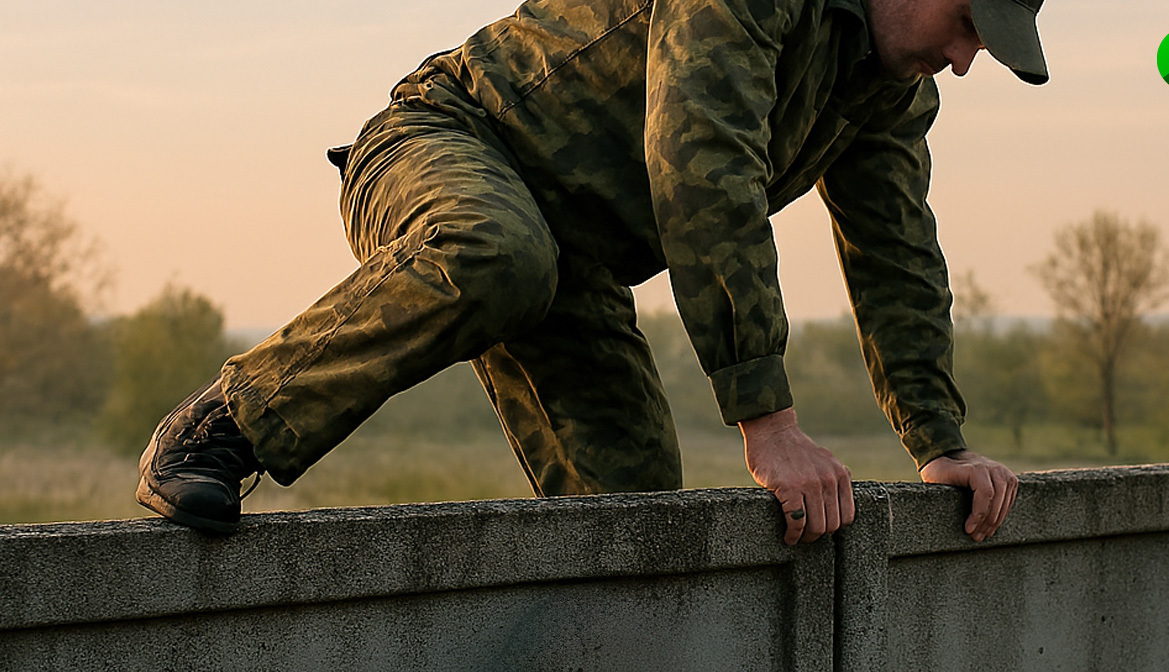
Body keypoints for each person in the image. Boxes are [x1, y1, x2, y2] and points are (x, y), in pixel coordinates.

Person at [137, 0, 1042, 545]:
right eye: (967, 23)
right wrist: (768, 422)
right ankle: (225, 423)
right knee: (498, 252)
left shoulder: (888, 89)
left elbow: (898, 254)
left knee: (638, 523)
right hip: (447, 143)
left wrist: (940, 444)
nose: (965, 61)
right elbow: (702, 166)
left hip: (571, 262)